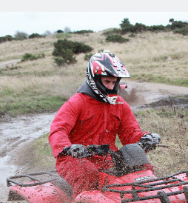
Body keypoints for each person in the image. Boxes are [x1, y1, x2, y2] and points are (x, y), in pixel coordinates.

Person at [48, 51, 161, 193]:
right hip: (74, 158)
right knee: (88, 175)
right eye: (107, 81)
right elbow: (58, 130)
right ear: (94, 79)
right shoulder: (76, 102)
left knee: (143, 167)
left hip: (108, 157)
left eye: (114, 82)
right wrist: (68, 148)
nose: (110, 86)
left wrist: (146, 138)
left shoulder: (119, 104)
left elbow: (130, 134)